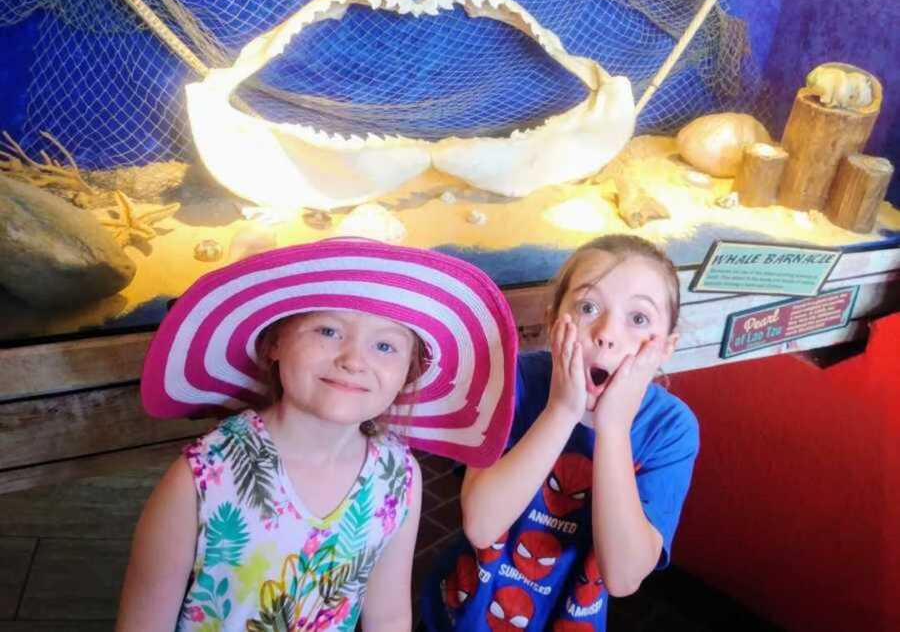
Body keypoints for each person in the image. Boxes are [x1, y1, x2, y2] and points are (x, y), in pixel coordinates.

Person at [116, 237, 517, 632]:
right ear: (274, 343)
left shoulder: (398, 477)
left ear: (407, 374)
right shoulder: (201, 476)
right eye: (327, 331)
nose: (354, 360)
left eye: (385, 345)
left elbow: (389, 616)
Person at [420, 234, 700, 631]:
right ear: (553, 321)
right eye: (588, 307)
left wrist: (614, 430)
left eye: (638, 319)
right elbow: (482, 525)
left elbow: (622, 576)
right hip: (463, 612)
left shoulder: (670, 429)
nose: (606, 332)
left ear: (665, 347)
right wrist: (561, 410)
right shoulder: (514, 380)